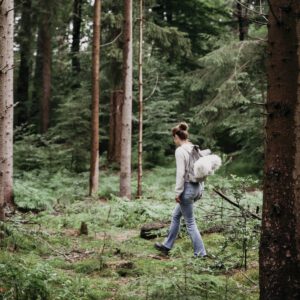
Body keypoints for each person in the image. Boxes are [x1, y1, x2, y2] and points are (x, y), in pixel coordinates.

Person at [154, 122, 207, 258]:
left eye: (174, 137)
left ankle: (201, 253)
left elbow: (181, 174)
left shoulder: (180, 151)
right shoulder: (195, 148)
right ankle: (167, 245)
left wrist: (178, 193)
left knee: (190, 222)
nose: (174, 140)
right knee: (176, 215)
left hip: (187, 189)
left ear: (177, 136)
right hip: (197, 188)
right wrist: (201, 190)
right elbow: (203, 169)